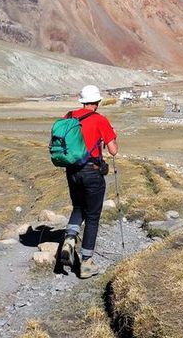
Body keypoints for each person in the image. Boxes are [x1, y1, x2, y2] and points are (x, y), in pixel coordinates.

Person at [59, 85, 118, 278]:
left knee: (78, 208)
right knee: (92, 217)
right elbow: (113, 150)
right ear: (97, 102)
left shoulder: (69, 116)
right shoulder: (100, 120)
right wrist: (110, 134)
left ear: (82, 101)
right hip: (92, 172)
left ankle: (69, 239)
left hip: (72, 172)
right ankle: (86, 263)